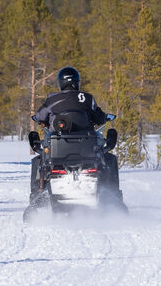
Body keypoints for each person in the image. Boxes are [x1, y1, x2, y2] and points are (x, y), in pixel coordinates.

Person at [29, 66, 119, 199]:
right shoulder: (87, 98)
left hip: (57, 149)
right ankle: (114, 196)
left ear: (61, 83)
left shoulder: (52, 99)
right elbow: (99, 117)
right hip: (87, 147)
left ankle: (36, 194)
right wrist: (104, 117)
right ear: (77, 82)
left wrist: (40, 120)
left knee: (39, 160)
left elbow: (39, 116)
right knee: (109, 158)